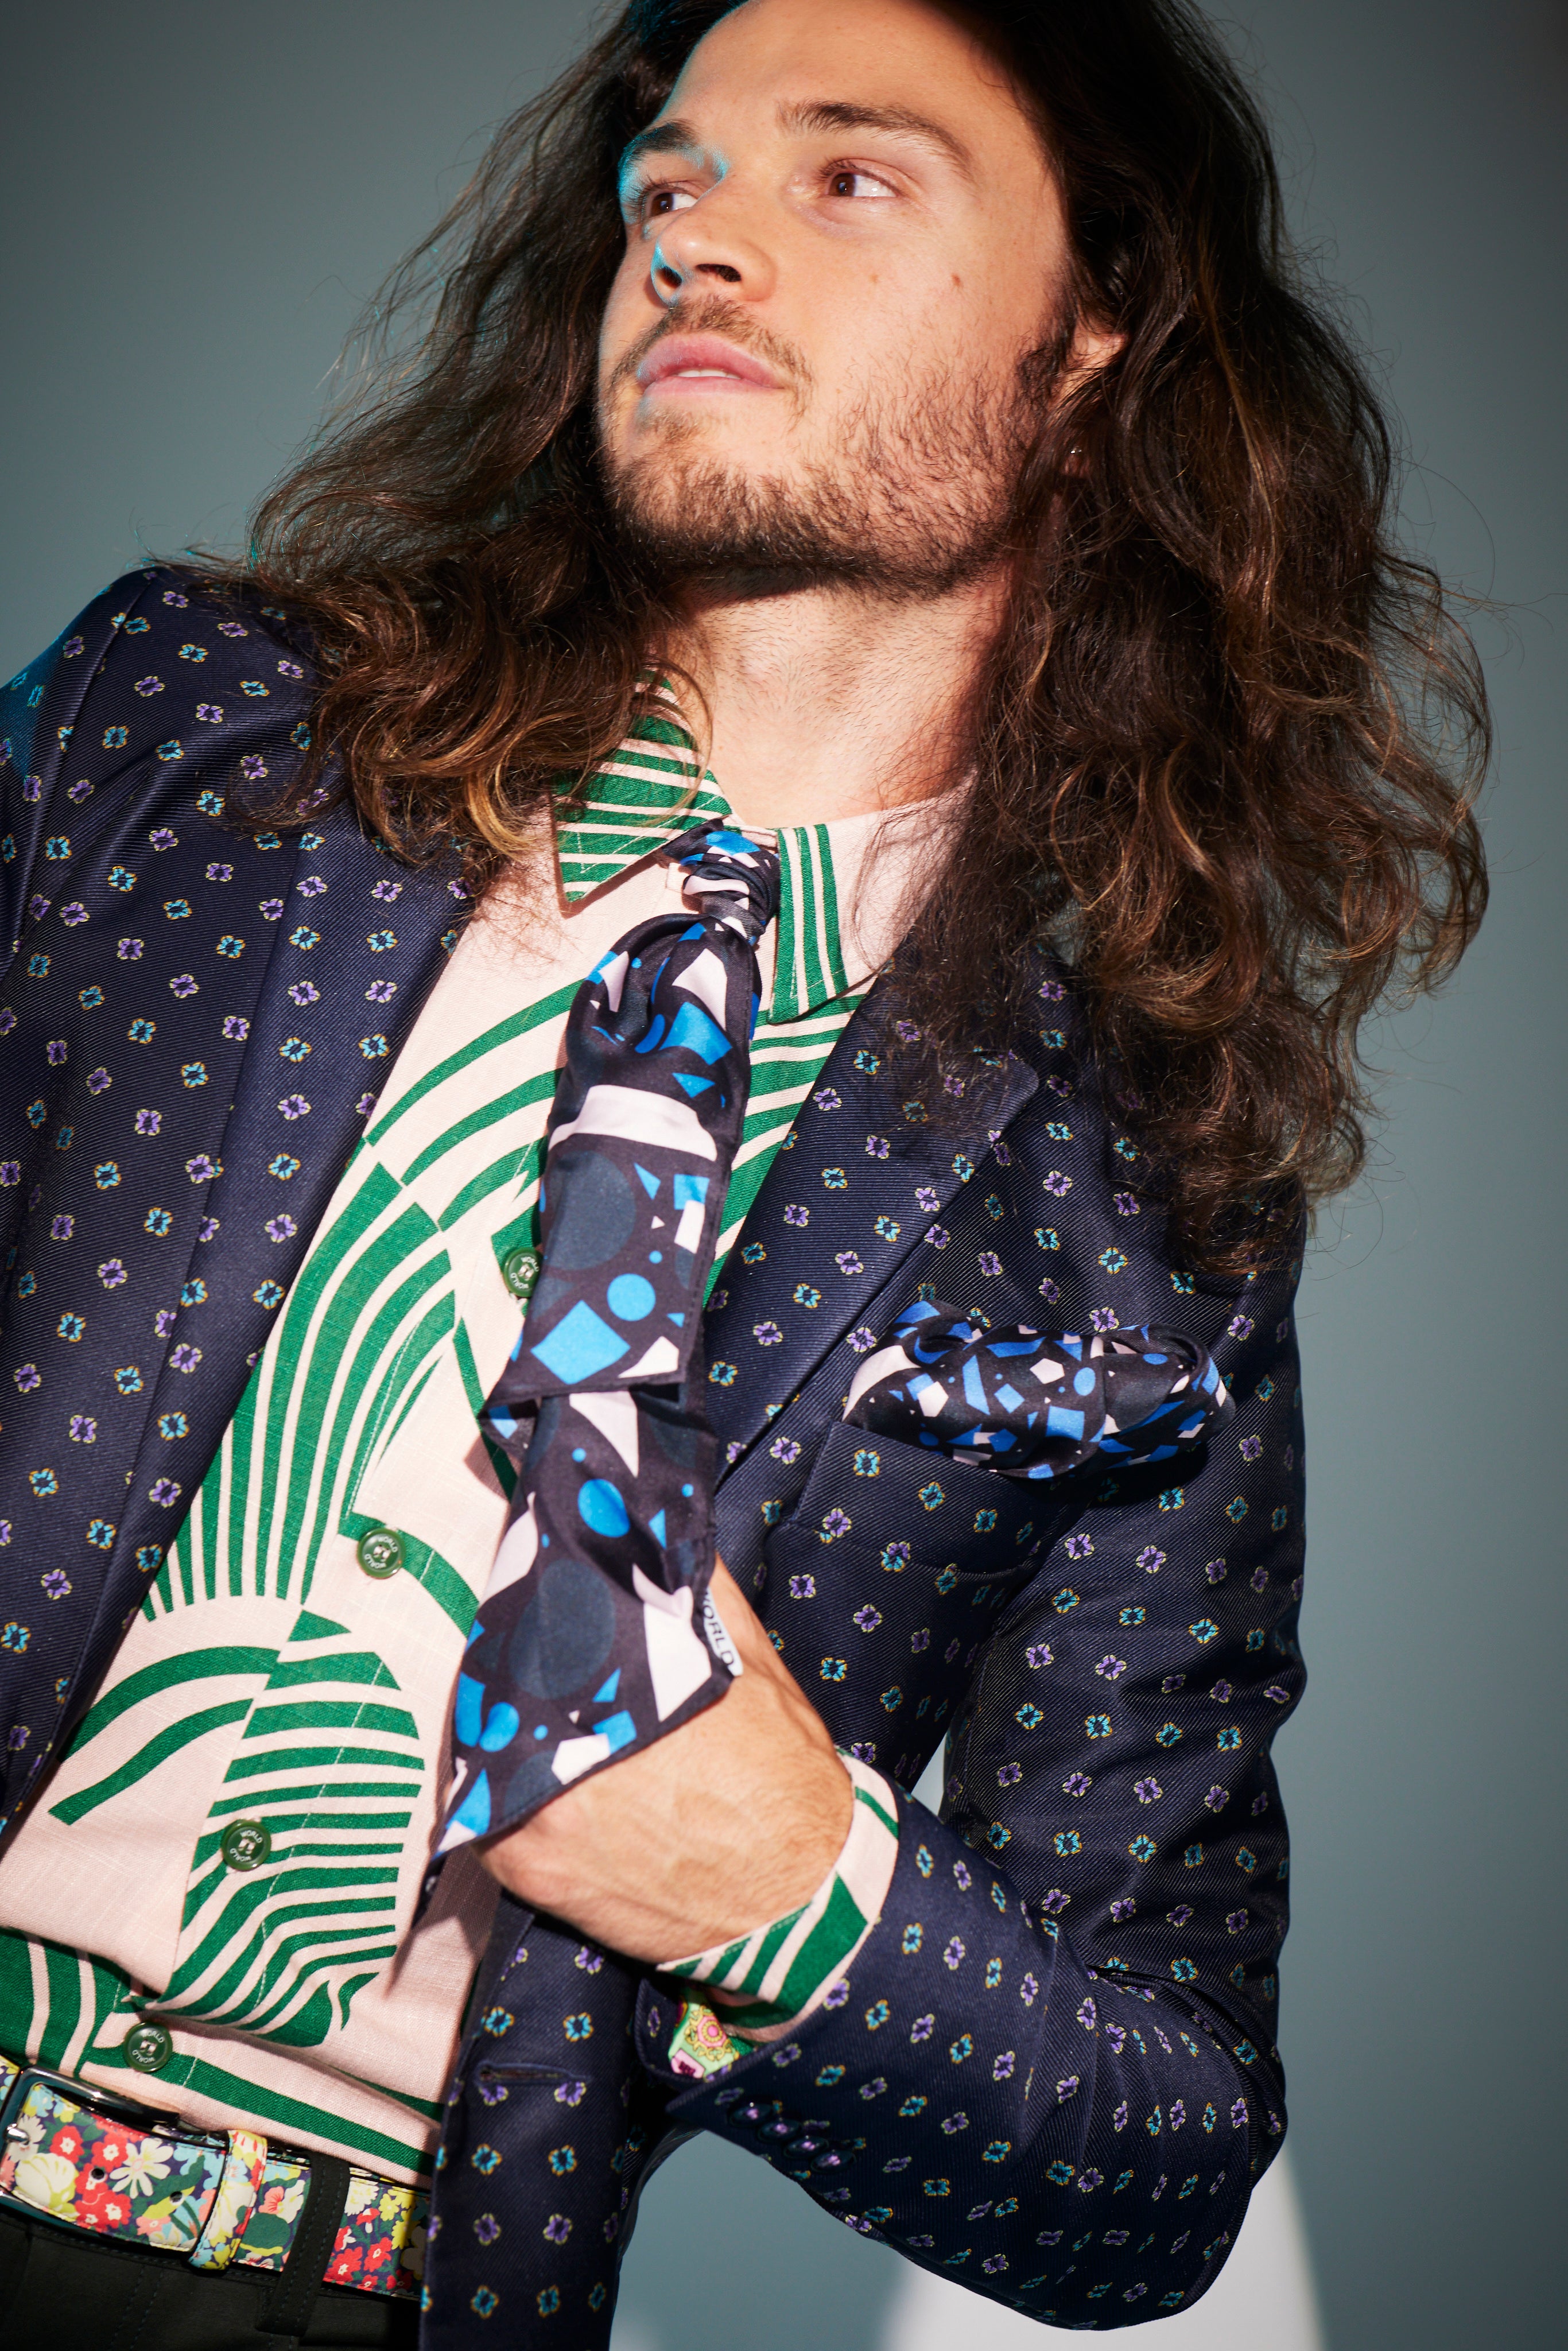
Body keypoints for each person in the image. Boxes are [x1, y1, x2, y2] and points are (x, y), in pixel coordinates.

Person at [0, 0, 1487, 2341]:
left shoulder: (1147, 1204)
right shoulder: (187, 733)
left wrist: (793, 1891)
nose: (693, 238)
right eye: (665, 183)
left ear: (1095, 323)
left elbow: (1157, 2157)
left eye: (849, 175)